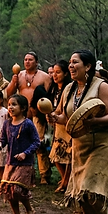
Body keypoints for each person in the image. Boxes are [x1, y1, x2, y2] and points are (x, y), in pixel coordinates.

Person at [50, 50, 108, 214]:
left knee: (90, 188)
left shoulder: (101, 86)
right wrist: (55, 118)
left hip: (101, 143)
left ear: (87, 66)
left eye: (75, 62)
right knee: (80, 192)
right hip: (79, 144)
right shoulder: (70, 89)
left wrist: (95, 121)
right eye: (70, 63)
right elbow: (65, 117)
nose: (70, 66)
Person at [5, 52, 52, 183]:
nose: (27, 62)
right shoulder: (18, 75)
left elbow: (48, 97)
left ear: (36, 62)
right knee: (22, 145)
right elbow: (8, 93)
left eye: (30, 60)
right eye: (25, 59)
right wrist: (14, 82)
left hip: (38, 115)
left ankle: (44, 175)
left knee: (39, 145)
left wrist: (40, 111)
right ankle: (26, 173)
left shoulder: (45, 77)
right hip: (22, 116)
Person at [0, 94, 40, 214]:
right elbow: (3, 140)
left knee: (17, 189)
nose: (10, 107)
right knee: (9, 191)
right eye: (9, 104)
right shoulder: (7, 124)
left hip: (25, 163)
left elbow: (36, 142)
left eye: (14, 104)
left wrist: (25, 153)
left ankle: (29, 210)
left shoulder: (28, 124)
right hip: (10, 162)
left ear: (22, 108)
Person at [47, 60, 72, 192]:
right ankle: (64, 179)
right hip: (58, 125)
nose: (55, 75)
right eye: (54, 73)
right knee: (56, 156)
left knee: (68, 157)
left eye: (58, 72)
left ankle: (66, 182)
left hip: (68, 125)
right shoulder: (54, 89)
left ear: (66, 73)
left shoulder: (70, 89)